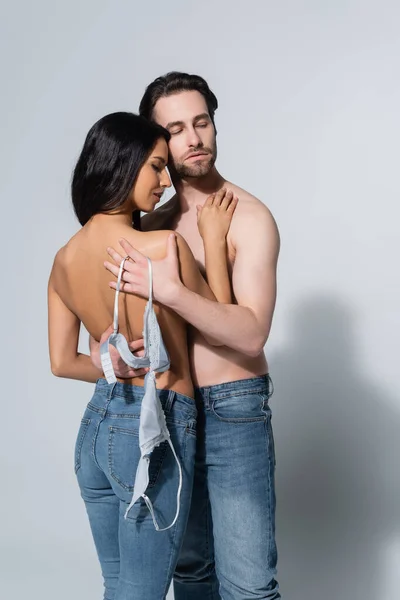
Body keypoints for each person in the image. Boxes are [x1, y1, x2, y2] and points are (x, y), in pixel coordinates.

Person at [94, 73, 281, 600]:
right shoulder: (150, 223)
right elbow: (118, 317)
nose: (193, 138)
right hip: (168, 407)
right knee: (191, 572)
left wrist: (170, 290)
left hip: (231, 406)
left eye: (201, 122)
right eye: (175, 129)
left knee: (248, 584)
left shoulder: (249, 216)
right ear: (155, 141)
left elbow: (250, 333)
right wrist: (107, 346)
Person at [47, 111, 237, 599]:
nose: (165, 182)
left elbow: (63, 362)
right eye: (155, 166)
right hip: (155, 431)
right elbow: (223, 325)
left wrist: (112, 361)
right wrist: (212, 238)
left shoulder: (64, 259)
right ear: (122, 164)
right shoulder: (160, 245)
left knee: (120, 587)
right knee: (141, 592)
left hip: (95, 431)